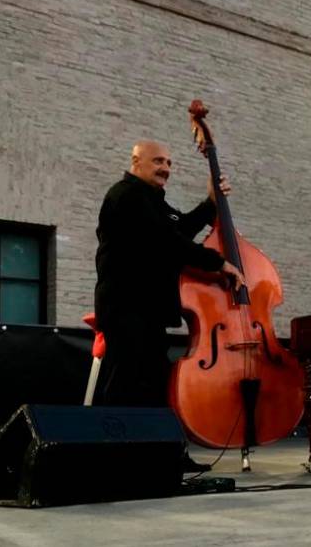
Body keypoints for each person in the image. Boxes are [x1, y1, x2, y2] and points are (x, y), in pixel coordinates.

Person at [94, 140, 244, 471]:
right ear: (136, 161)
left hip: (148, 310)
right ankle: (112, 457)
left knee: (152, 384)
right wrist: (219, 263)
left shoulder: (154, 202)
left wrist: (210, 203)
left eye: (170, 163)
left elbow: (179, 229)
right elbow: (170, 242)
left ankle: (163, 455)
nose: (166, 168)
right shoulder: (126, 195)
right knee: (126, 384)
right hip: (126, 307)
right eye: (158, 161)